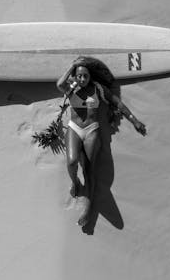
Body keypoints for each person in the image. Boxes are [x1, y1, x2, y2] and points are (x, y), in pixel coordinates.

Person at [56, 57, 146, 228]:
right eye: (79, 75)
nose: (83, 79)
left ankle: (88, 211)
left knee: (90, 170)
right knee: (72, 162)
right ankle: (75, 182)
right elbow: (59, 84)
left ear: (90, 77)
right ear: (75, 76)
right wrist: (72, 66)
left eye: (86, 76)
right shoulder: (71, 88)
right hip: (74, 128)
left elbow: (117, 102)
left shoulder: (98, 89)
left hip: (91, 130)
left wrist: (134, 120)